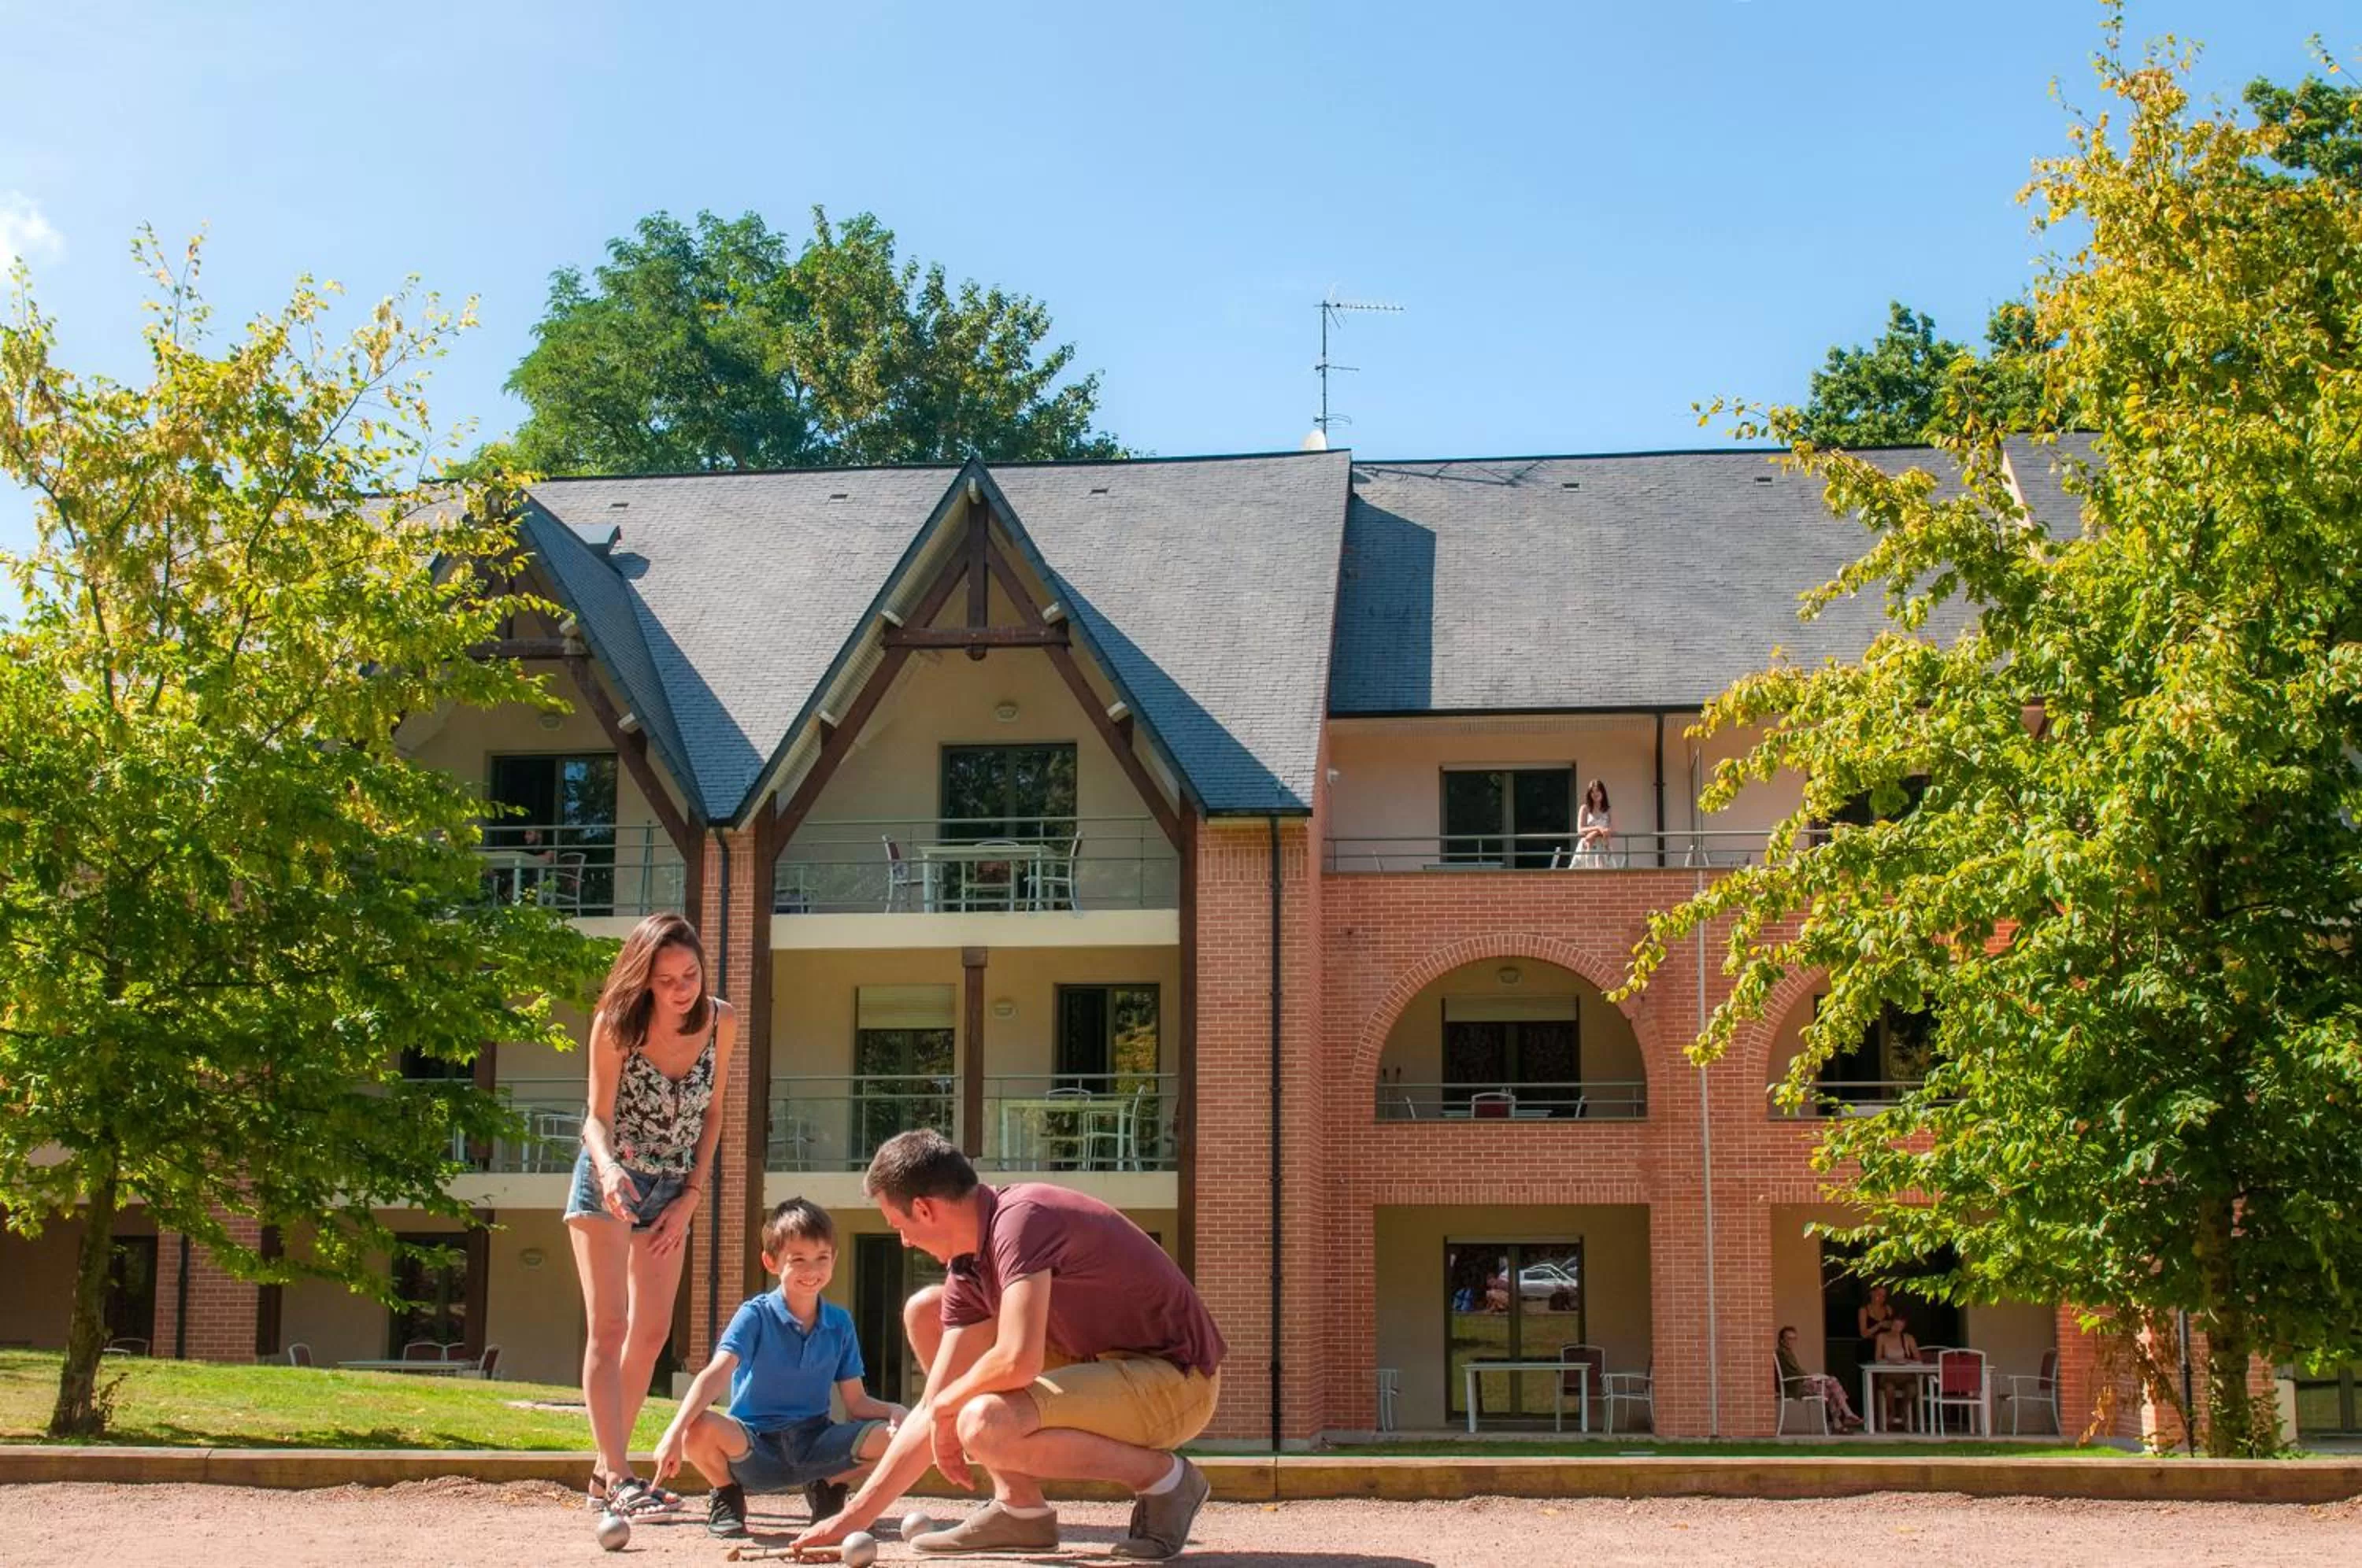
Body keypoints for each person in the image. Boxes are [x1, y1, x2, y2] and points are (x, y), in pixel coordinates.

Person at [794, 1130, 1227, 1560]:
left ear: (924, 1210)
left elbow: (1017, 1361)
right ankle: (1021, 1510)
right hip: (1100, 1368)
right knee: (926, 1312)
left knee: (984, 1423)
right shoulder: (969, 1266)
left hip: (1176, 1381)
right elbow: (929, 1408)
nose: (904, 1241)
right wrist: (851, 1520)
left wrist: (946, 1408)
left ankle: (1167, 1481)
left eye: (899, 1226)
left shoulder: (1021, 1221)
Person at [565, 912, 736, 1518]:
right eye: (666, 980)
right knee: (609, 1329)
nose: (682, 988)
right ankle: (618, 1475)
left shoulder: (722, 1020)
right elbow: (595, 1118)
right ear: (643, 981)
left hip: (673, 1188)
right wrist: (610, 1171)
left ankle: (603, 1475)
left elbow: (713, 1114)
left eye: (689, 974)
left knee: (653, 1333)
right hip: (610, 1182)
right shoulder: (615, 1026)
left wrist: (691, 1195)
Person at [655, 1199, 905, 1539]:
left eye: (821, 1258)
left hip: (816, 1441)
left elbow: (857, 1403)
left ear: (833, 1259)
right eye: (797, 1259)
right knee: (696, 1427)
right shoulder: (754, 1315)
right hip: (755, 1446)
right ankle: (727, 1494)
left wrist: (894, 1411)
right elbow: (716, 1373)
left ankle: (829, 1488)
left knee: (903, 1438)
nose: (811, 1270)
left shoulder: (839, 1323)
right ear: (771, 1262)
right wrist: (673, 1433)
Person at [1775, 1325, 1862, 1432]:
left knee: (1832, 1389)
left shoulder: (1786, 1353)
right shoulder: (1783, 1353)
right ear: (1782, 1340)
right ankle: (1847, 1414)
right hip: (1796, 1387)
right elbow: (1796, 1372)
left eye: (1794, 1338)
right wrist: (1813, 1377)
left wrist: (1813, 1376)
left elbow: (1796, 1372)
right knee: (1832, 1381)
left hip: (1799, 1383)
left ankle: (1838, 1424)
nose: (1792, 1341)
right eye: (1789, 1338)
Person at [1869, 1312, 1922, 1432]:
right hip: (1888, 1376)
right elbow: (1877, 1359)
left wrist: (1906, 1361)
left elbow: (1918, 1359)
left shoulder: (1908, 1338)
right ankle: (1891, 1412)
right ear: (1890, 1325)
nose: (1896, 1329)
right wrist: (1892, 1361)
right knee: (1889, 1389)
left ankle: (1902, 1410)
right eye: (1894, 1326)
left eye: (1900, 1327)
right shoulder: (1882, 1337)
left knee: (1913, 1388)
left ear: (1904, 1327)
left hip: (1906, 1376)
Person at [1572, 780, 1613, 867]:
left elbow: (1611, 829)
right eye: (1592, 791)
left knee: (1607, 876)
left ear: (1603, 792)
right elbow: (1580, 830)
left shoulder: (1608, 810)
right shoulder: (1584, 808)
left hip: (1603, 847)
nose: (1595, 794)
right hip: (1586, 847)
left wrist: (1594, 833)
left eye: (1598, 790)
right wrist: (1598, 828)